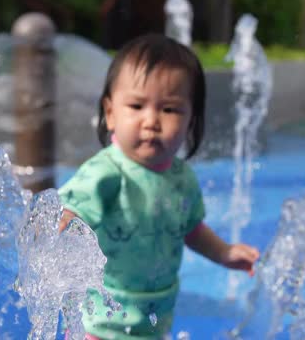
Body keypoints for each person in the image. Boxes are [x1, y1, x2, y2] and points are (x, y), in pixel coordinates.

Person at [58, 34, 259, 340]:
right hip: (101, 322)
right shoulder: (106, 172)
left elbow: (191, 230)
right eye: (137, 105)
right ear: (110, 113)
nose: (151, 120)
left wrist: (224, 252)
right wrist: (54, 230)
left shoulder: (182, 179)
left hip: (155, 319)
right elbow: (67, 214)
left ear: (191, 121)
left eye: (170, 110)